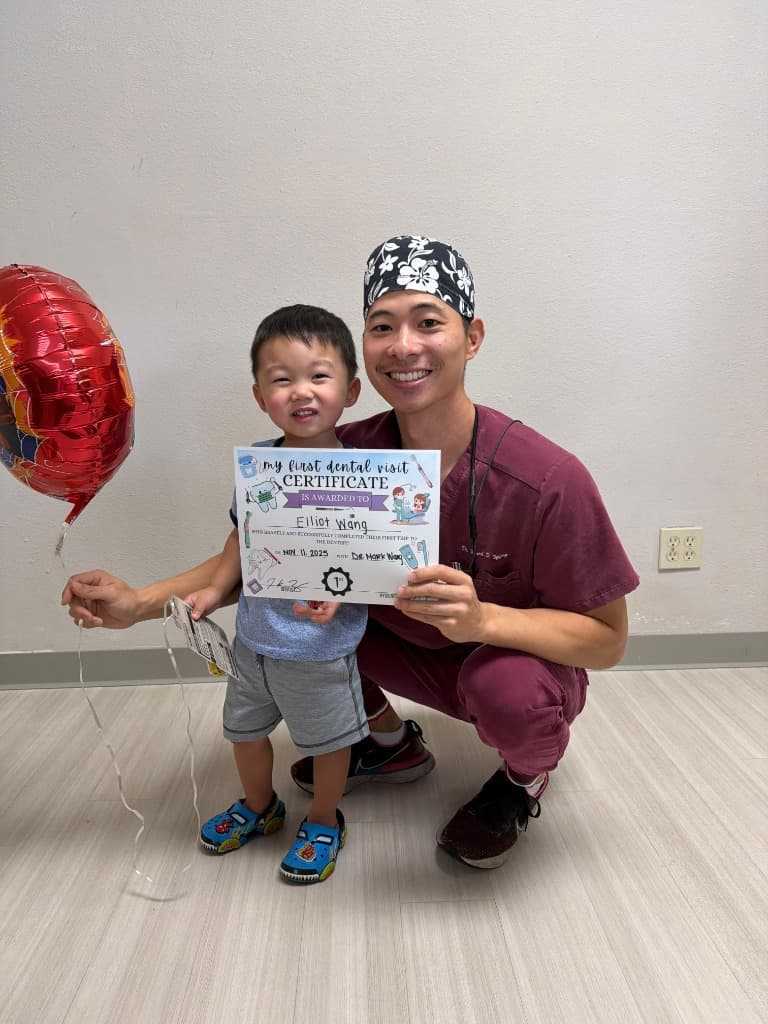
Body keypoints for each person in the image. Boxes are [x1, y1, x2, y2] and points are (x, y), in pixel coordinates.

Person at [62, 235, 639, 870]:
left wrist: (485, 622)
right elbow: (260, 554)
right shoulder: (339, 454)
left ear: (471, 337)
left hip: (510, 665)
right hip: (399, 646)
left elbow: (607, 640)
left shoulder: (547, 479)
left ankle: (522, 780)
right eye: (382, 326)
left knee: (509, 691)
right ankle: (390, 744)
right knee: (310, 620)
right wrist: (140, 603)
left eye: (428, 323)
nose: (404, 346)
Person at [186, 303, 367, 884]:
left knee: (328, 742)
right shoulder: (260, 468)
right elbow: (243, 533)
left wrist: (347, 590)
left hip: (321, 645)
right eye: (281, 379)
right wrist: (216, 587)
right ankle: (260, 807)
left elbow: (372, 554)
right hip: (255, 639)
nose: (301, 391)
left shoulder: (365, 475)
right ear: (261, 395)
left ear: (352, 390)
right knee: (244, 731)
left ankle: (322, 818)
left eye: (319, 375)